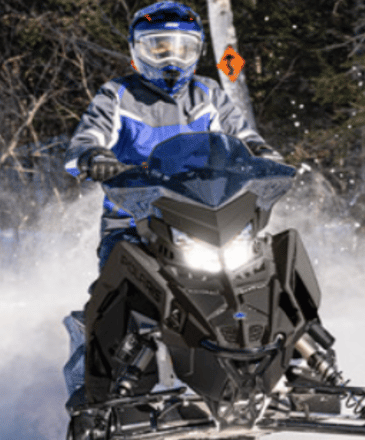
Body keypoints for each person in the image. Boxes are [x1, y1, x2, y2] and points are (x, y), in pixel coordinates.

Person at [62, 1, 282, 403]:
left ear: (196, 51)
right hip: (135, 223)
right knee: (115, 297)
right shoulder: (119, 96)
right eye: (158, 48)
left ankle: (306, 366)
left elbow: (241, 134)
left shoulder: (209, 93)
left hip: (205, 220)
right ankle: (96, 400)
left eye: (181, 49)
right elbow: (85, 139)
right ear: (137, 51)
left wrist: (263, 155)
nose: (171, 59)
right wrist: (94, 158)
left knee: (271, 271)